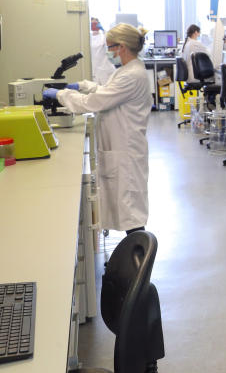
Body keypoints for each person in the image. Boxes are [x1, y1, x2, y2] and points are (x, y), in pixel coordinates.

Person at [43, 23, 153, 233]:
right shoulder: (129, 70)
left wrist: (60, 95)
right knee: (127, 207)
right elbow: (106, 91)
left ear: (121, 47)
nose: (107, 52)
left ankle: (138, 257)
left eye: (109, 47)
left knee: (131, 213)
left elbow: (94, 103)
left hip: (126, 152)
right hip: (122, 149)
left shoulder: (132, 75)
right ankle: (133, 253)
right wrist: (81, 86)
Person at [89, 17, 116, 85]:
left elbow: (111, 39)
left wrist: (103, 30)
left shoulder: (103, 36)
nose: (94, 25)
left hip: (104, 65)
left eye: (96, 23)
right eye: (92, 24)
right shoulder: (88, 37)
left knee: (106, 86)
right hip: (93, 66)